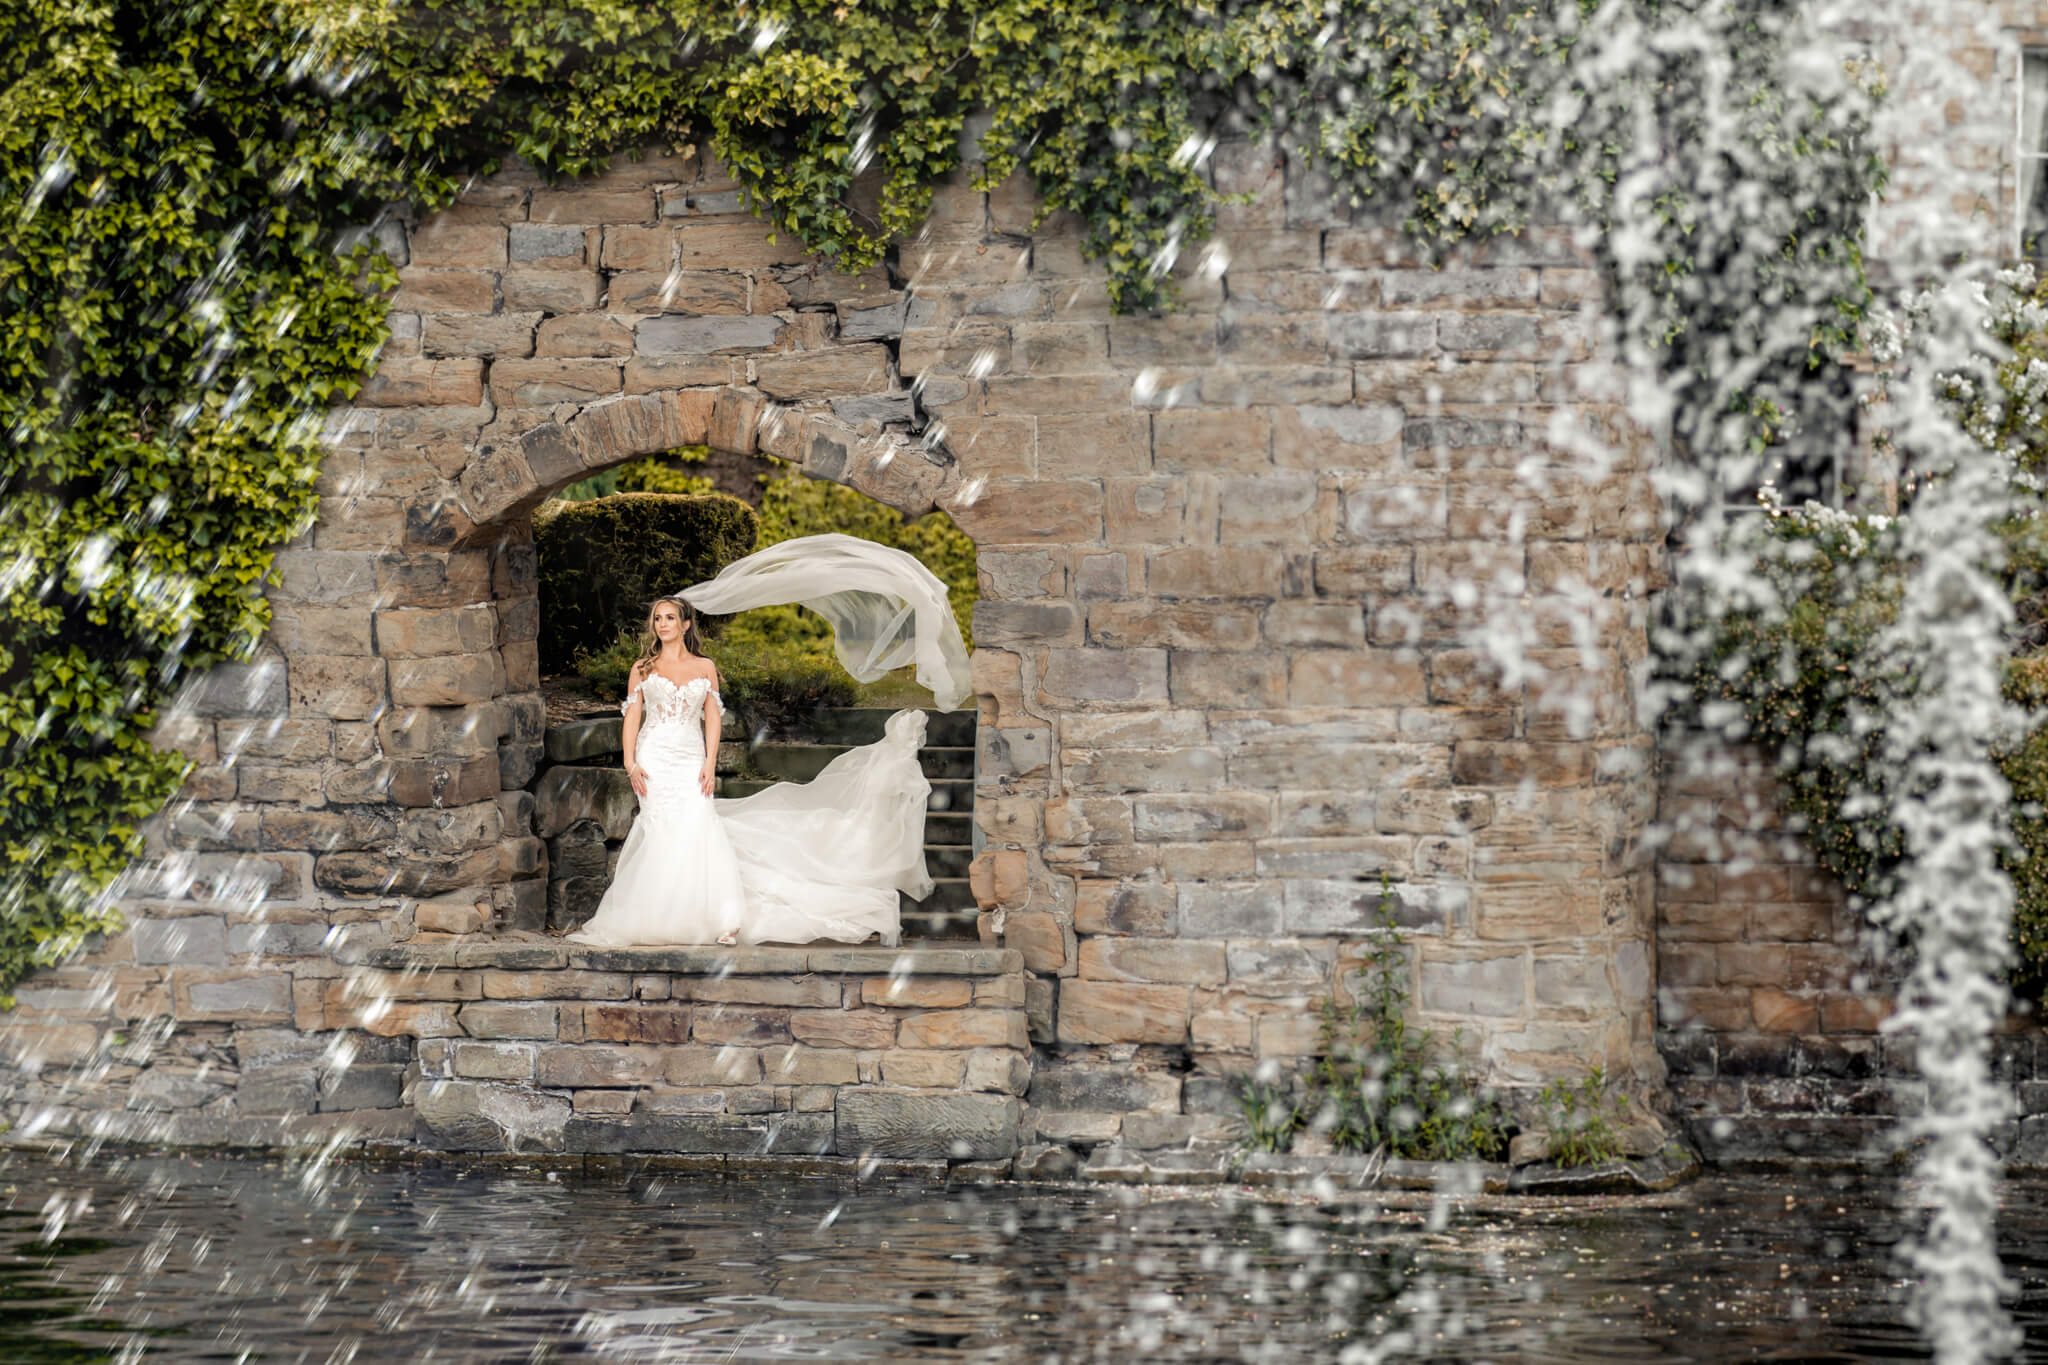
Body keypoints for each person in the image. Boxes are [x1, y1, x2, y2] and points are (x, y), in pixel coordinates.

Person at [566, 595, 935, 948]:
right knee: (661, 827)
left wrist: (709, 763)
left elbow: (712, 717)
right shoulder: (643, 668)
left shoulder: (704, 666)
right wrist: (631, 762)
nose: (663, 624)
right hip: (655, 756)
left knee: (698, 824)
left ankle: (722, 918)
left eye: (670, 618)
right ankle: (661, 914)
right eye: (658, 619)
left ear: (686, 625)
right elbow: (632, 716)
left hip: (690, 757)